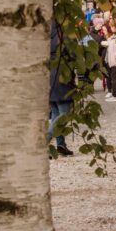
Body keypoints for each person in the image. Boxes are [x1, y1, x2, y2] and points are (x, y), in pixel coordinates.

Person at [48, 21, 74, 156]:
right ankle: (45, 139)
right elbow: (73, 54)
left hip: (50, 76)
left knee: (55, 114)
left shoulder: (45, 35)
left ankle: (61, 145)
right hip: (62, 76)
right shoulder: (64, 35)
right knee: (63, 115)